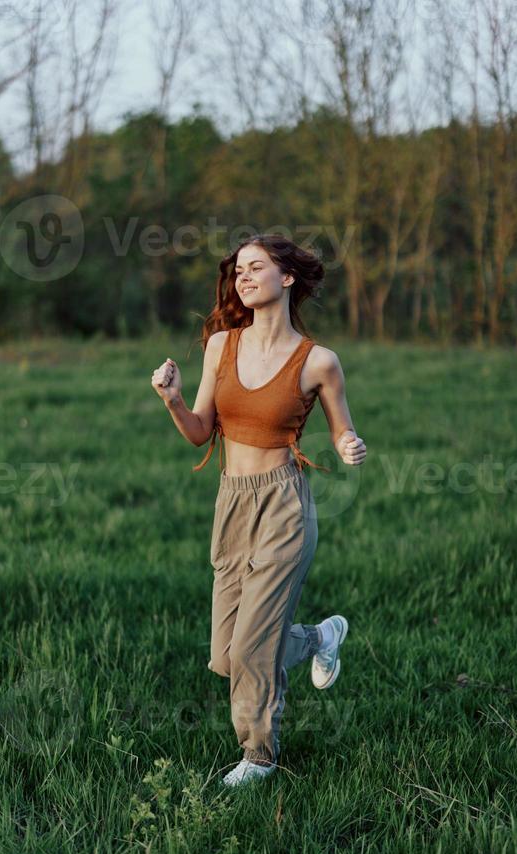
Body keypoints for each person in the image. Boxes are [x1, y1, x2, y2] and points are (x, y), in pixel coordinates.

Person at [151, 233, 366, 787]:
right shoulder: (221, 346)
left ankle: (259, 755)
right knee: (226, 654)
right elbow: (201, 433)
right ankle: (319, 638)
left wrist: (348, 446)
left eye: (256, 267)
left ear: (287, 278)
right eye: (239, 270)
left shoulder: (318, 361)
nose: (243, 277)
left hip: (284, 505)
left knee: (252, 647)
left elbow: (343, 431)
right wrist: (173, 399)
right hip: (232, 502)